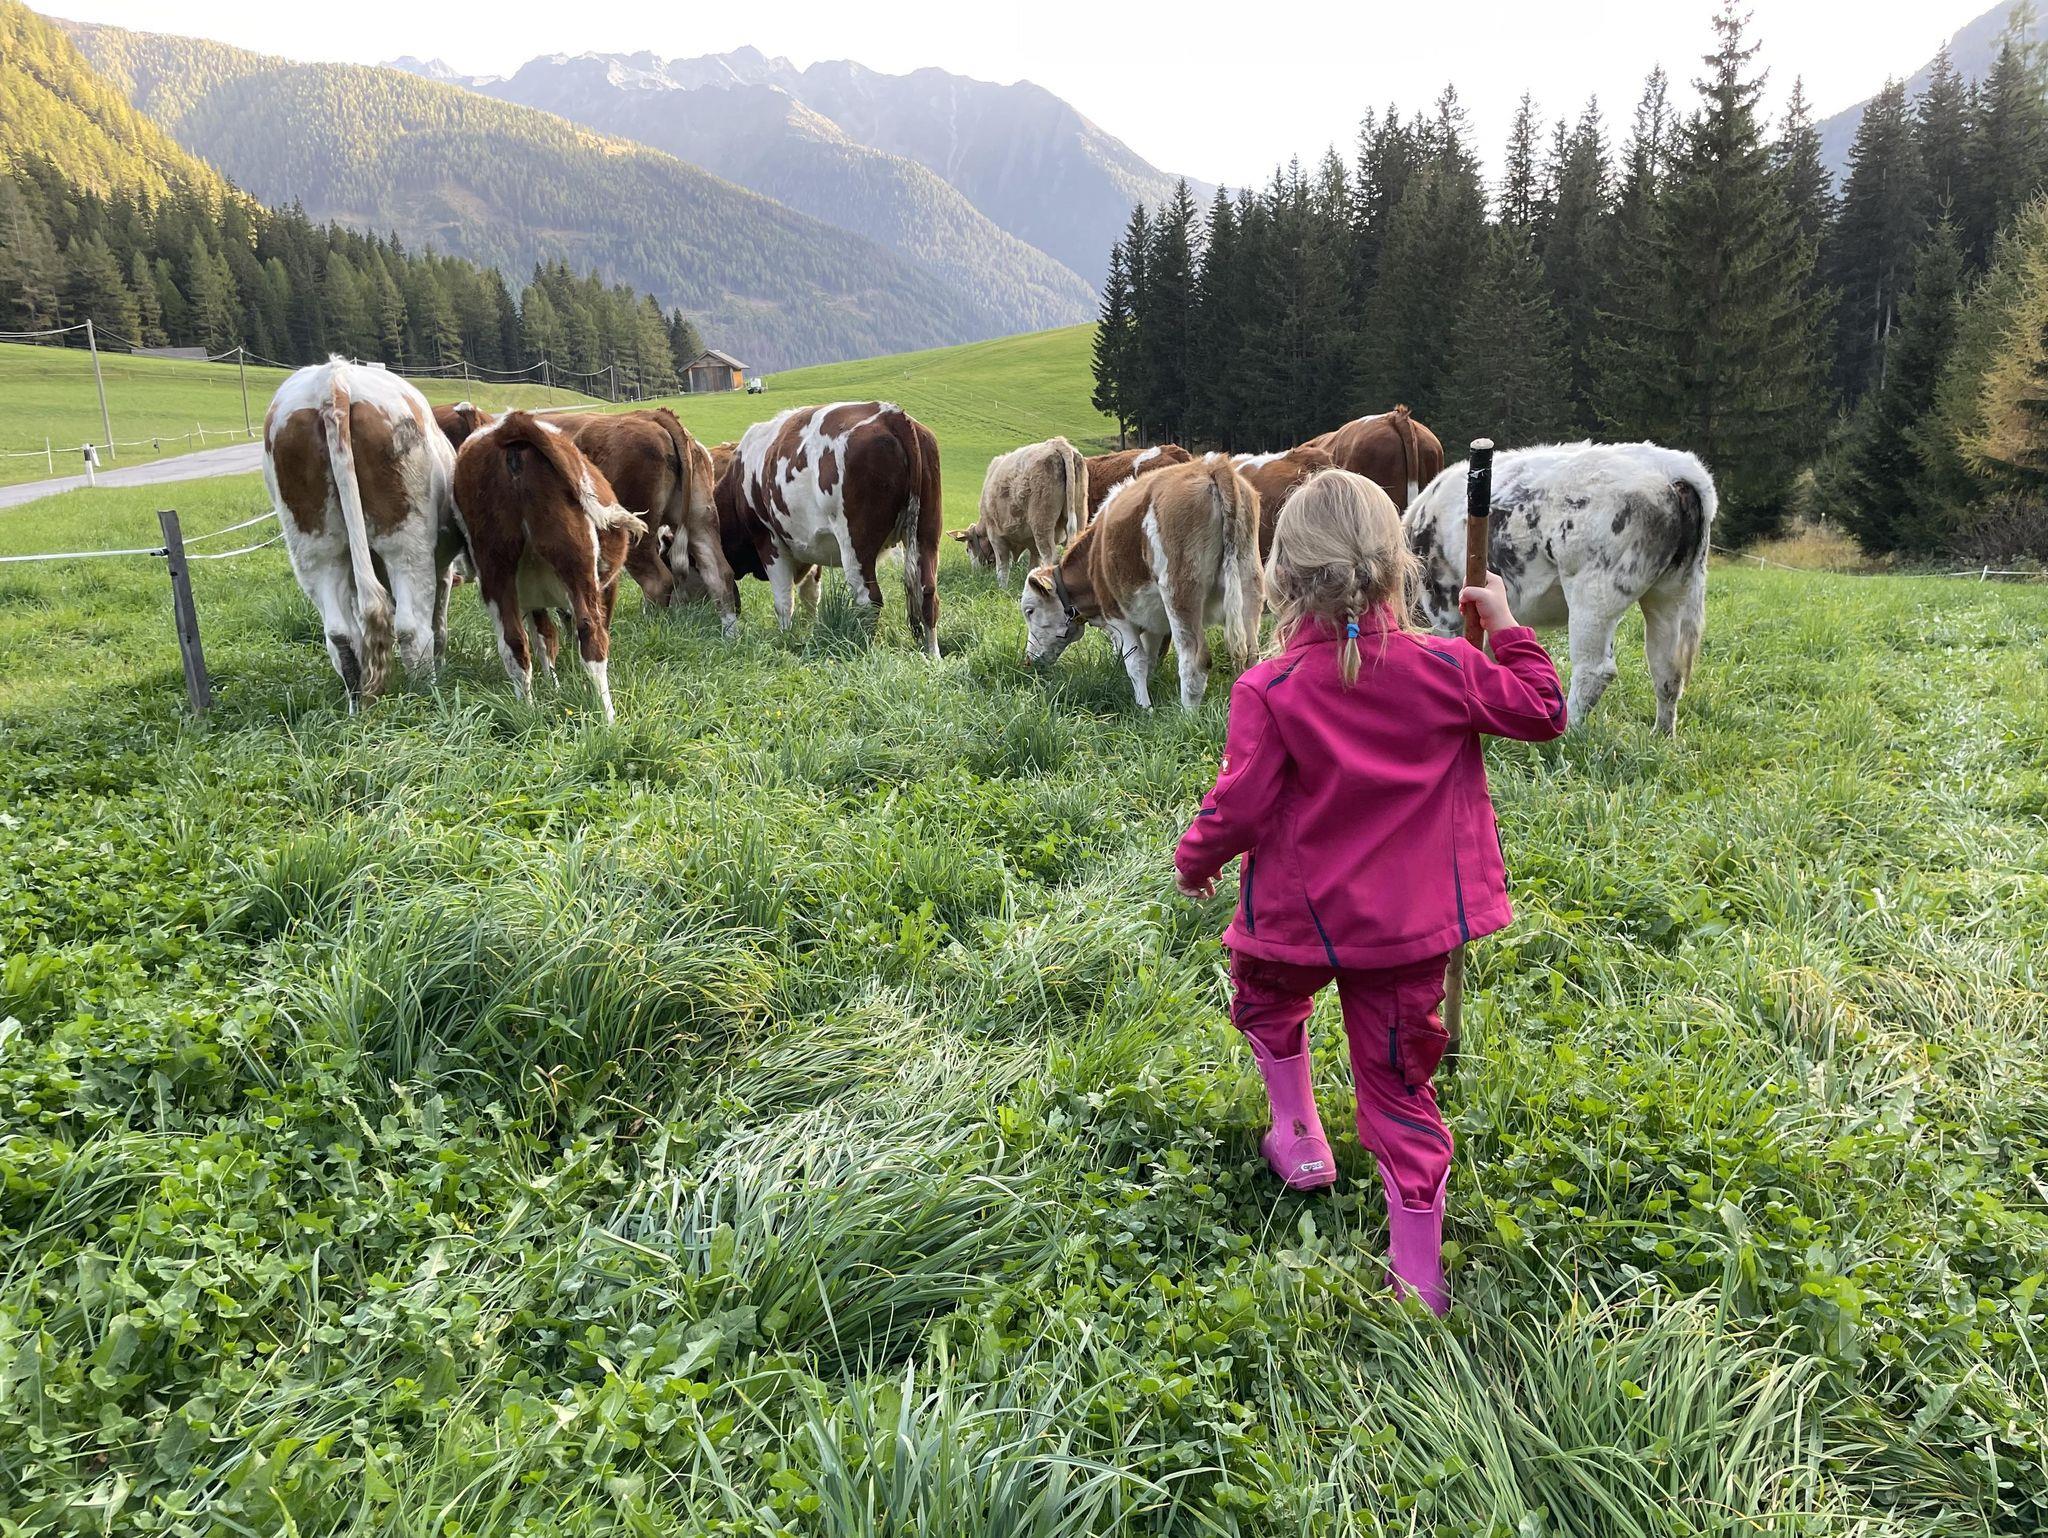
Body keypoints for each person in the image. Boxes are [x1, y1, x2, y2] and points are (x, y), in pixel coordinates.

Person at [1174, 470, 1567, 1312]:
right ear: (1398, 566)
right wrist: (1505, 628)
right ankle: (1418, 1278)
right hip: (1408, 935)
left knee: (1264, 998)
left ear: (1282, 575)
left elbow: (1238, 805)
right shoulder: (1450, 666)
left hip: (1297, 921)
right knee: (1397, 1087)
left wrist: (1195, 860)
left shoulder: (1269, 689)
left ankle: (1299, 1134)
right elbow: (1543, 710)